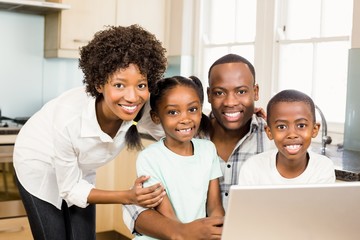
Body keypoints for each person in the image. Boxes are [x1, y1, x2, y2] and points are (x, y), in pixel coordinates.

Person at [13, 24, 168, 240]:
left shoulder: (141, 108)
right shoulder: (69, 119)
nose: (132, 97)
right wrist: (128, 196)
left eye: (141, 85)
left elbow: (171, 132)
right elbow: (69, 188)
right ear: (98, 84)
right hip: (39, 165)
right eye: (120, 85)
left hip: (79, 169)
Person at [123, 53, 274, 239]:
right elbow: (137, 205)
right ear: (209, 95)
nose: (231, 102)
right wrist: (180, 232)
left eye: (241, 92)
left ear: (255, 92)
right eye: (219, 92)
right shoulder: (185, 134)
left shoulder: (273, 141)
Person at [135, 76, 225, 239]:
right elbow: (169, 218)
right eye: (173, 112)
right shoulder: (149, 158)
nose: (185, 119)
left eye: (192, 109)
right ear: (156, 117)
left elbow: (215, 207)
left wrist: (216, 232)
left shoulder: (208, 150)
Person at [238, 89, 335, 185]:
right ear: (269, 132)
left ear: (315, 130)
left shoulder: (323, 167)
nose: (292, 134)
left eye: (301, 125)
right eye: (281, 127)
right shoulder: (252, 168)